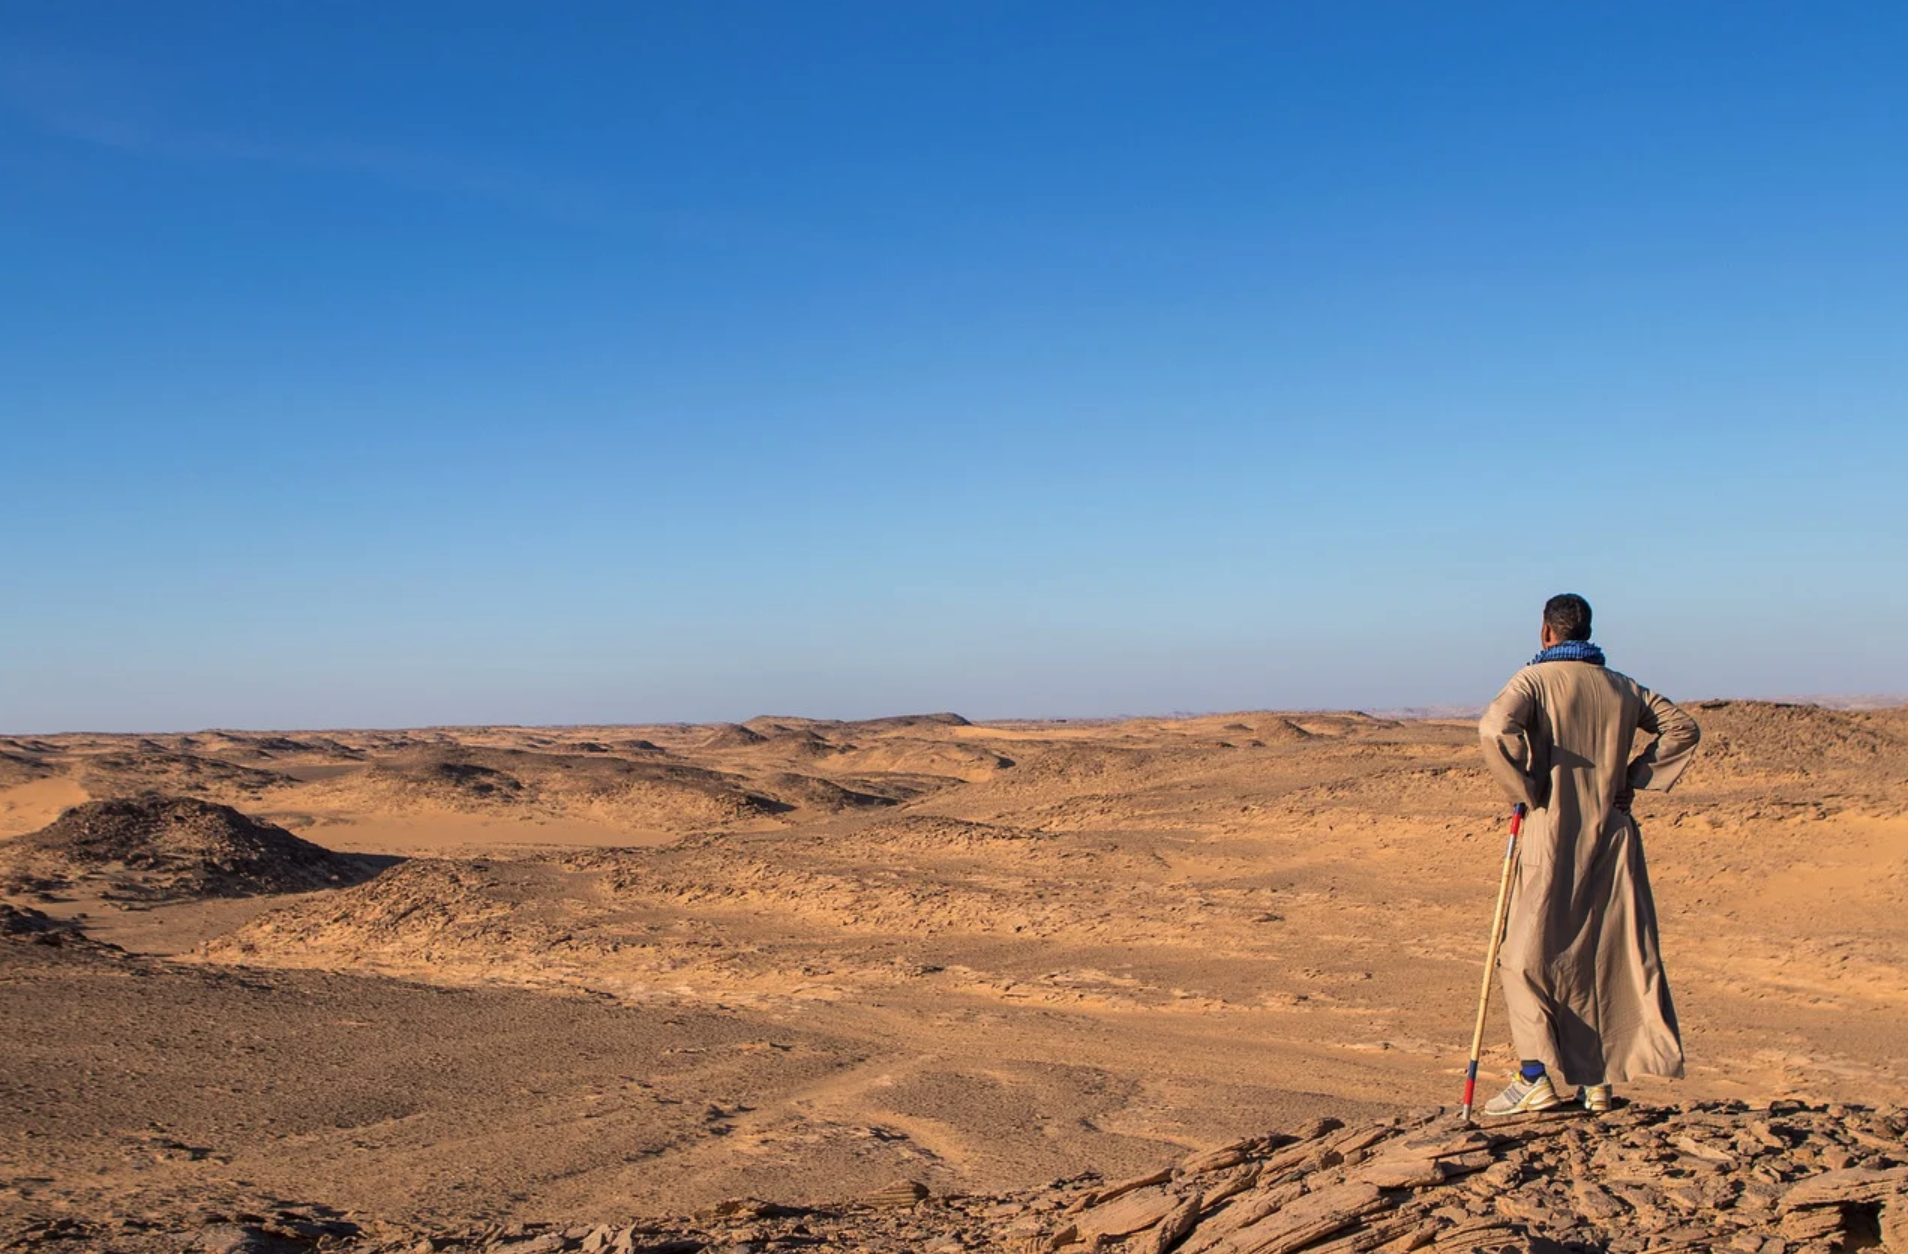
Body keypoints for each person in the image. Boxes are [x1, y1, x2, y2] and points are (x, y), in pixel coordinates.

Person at [1475, 593, 1702, 1115]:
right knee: (1603, 955)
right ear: (1588, 630)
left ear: (1545, 632)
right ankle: (1595, 1082)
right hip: (1614, 836)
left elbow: (1493, 728)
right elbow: (1683, 727)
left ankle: (1534, 1074)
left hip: (1554, 832)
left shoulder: (1533, 681)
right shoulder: (1623, 687)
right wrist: (1633, 778)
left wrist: (1528, 788)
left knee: (1522, 957)